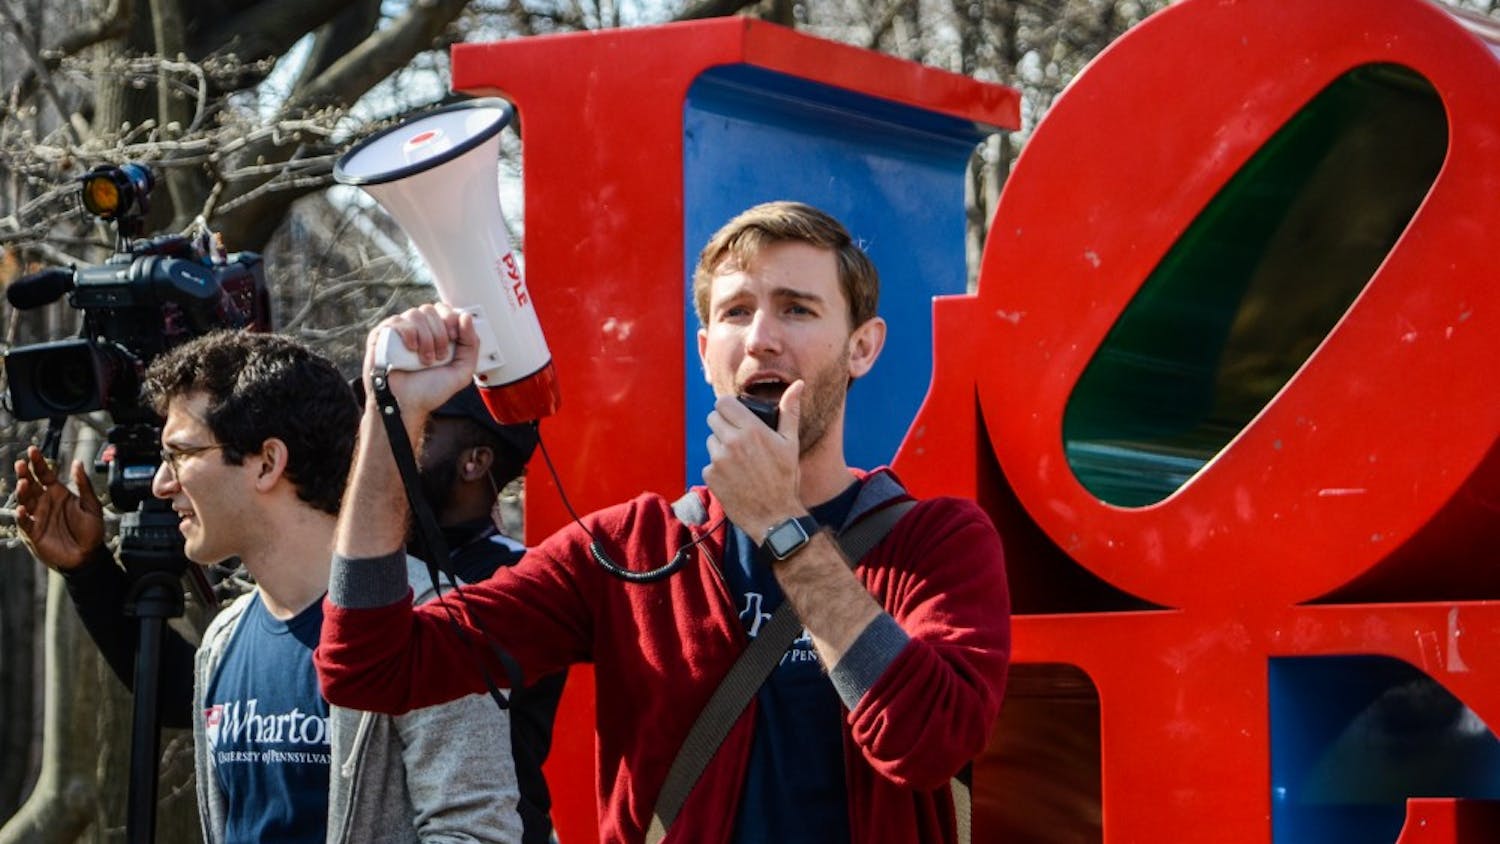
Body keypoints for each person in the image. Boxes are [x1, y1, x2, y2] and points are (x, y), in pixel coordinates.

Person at [317, 201, 1012, 843]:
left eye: (797, 309)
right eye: (737, 313)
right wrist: (392, 419)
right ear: (707, 350)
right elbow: (370, 668)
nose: (761, 339)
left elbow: (926, 746)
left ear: (862, 347)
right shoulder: (628, 550)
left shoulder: (937, 541)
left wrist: (781, 524)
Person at [13, 330, 523, 844]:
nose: (161, 485)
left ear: (266, 462)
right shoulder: (223, 641)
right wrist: (88, 571)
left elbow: (477, 833)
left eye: (181, 454)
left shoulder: (432, 625)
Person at [401, 381, 566, 844]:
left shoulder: (523, 578)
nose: (396, 439)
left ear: (474, 462)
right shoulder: (371, 564)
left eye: (423, 429)